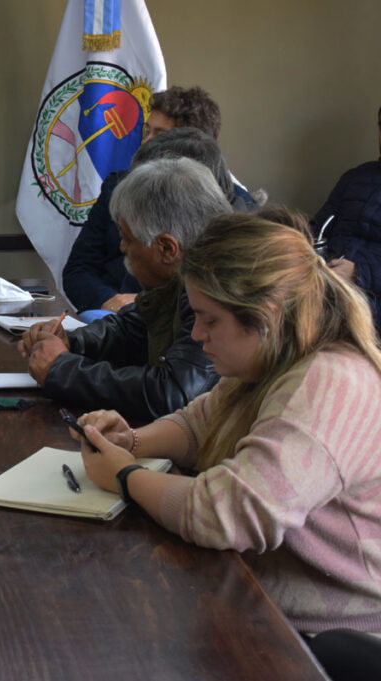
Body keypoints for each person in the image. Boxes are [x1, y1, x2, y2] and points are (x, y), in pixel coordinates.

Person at [72, 214, 381, 637]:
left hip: (330, 642)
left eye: (209, 319)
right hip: (263, 606)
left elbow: (225, 515)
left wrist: (126, 477)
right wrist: (133, 440)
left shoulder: (327, 385)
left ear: (265, 315)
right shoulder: (279, 352)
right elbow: (201, 423)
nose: (197, 334)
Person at [19, 156, 231, 422]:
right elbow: (134, 328)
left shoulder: (216, 287)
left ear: (167, 248)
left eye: (127, 239)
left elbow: (172, 395)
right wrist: (72, 341)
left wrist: (63, 369)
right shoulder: (185, 272)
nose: (121, 248)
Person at [62, 85, 257, 314]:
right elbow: (78, 270)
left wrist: (145, 303)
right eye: (147, 131)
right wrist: (109, 302)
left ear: (191, 143)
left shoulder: (236, 207)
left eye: (159, 135)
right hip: (108, 318)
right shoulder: (118, 187)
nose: (147, 142)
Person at [310, 105, 381, 334]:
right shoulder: (355, 177)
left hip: (369, 297)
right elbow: (318, 228)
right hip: (324, 278)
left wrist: (358, 272)